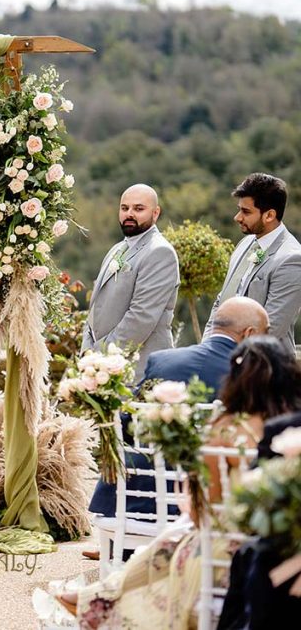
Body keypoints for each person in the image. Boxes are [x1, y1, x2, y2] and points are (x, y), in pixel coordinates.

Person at [62, 336, 301, 629]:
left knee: (176, 538)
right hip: (279, 538)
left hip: (230, 543)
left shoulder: (223, 430)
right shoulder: (291, 425)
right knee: (174, 537)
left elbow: (206, 510)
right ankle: (96, 599)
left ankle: (96, 601)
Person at [86, 297, 270, 527]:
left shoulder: (162, 361)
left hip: (133, 501)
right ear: (250, 333)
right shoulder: (253, 378)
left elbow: (126, 424)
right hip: (202, 504)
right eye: (266, 333)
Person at [82, 184, 180, 382]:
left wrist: (99, 356)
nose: (129, 214)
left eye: (138, 209)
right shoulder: (117, 249)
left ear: (156, 212)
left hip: (137, 369)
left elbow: (141, 317)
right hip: (102, 367)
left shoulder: (160, 252)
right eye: (124, 208)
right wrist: (86, 351)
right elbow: (95, 308)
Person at [204, 172, 301, 353]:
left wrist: (228, 359)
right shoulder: (246, 243)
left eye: (246, 211)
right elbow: (222, 301)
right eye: (239, 209)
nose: (237, 217)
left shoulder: (292, 259)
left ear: (269, 215)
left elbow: (272, 328)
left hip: (263, 368)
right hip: (222, 359)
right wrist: (207, 349)